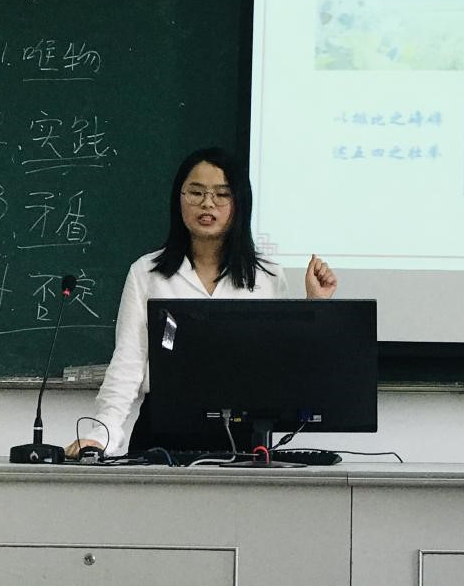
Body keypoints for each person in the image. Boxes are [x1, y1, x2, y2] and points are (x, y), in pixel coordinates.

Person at [64, 146, 337, 457]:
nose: (208, 203)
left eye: (222, 194)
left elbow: (284, 366)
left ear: (239, 203)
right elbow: (128, 362)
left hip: (245, 436)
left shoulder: (268, 276)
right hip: (161, 431)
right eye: (196, 192)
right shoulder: (146, 273)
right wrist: (102, 433)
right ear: (179, 199)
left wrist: (315, 307)